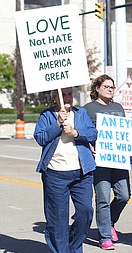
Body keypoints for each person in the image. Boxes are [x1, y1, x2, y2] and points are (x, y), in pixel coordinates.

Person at [33, 87, 97, 253]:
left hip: (82, 172)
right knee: (58, 220)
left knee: (85, 212)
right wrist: (57, 124)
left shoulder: (81, 113)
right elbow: (40, 138)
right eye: (63, 94)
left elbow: (93, 133)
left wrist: (76, 132)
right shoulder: (47, 115)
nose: (67, 97)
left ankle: (74, 246)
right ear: (55, 98)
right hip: (56, 174)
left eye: (70, 94)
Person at [84, 74, 131, 250]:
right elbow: (84, 131)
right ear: (97, 89)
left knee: (123, 195)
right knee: (103, 198)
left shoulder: (118, 107)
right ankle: (104, 236)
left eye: (112, 87)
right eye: (106, 86)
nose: (110, 89)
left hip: (119, 160)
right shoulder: (88, 109)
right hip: (100, 161)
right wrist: (89, 147)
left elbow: (124, 132)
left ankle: (110, 222)